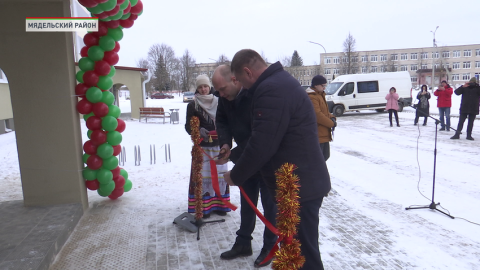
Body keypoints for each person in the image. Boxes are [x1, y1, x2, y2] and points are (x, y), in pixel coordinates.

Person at [223, 49, 331, 270]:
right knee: (298, 253)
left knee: (305, 256)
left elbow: (263, 144)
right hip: (297, 184)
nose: (243, 87)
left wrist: (235, 176)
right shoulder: (278, 83)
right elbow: (266, 137)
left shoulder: (271, 89)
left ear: (247, 71)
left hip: (299, 186)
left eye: (242, 81)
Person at [212, 65, 277, 268]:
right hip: (245, 159)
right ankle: (243, 244)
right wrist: (225, 143)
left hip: (267, 160)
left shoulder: (256, 94)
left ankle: (270, 246)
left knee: (270, 207)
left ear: (235, 79)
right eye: (218, 91)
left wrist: (233, 154)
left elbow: (259, 137)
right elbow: (221, 120)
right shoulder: (225, 96)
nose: (220, 95)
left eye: (222, 89)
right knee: (248, 203)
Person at [185, 74, 230, 218]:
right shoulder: (193, 105)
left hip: (218, 146)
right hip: (203, 148)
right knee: (204, 178)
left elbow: (226, 121)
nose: (203, 89)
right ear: (197, 89)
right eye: (200, 87)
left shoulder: (219, 101)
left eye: (205, 86)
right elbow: (188, 126)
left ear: (209, 86)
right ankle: (204, 207)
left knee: (220, 176)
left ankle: (221, 206)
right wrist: (197, 131)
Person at [306, 75, 336, 161]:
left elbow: (325, 112)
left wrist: (333, 118)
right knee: (318, 160)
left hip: (323, 134)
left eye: (325, 86)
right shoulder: (312, 97)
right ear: (316, 85)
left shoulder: (320, 95)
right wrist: (331, 123)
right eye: (322, 85)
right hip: (317, 134)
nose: (324, 88)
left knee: (325, 156)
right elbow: (317, 115)